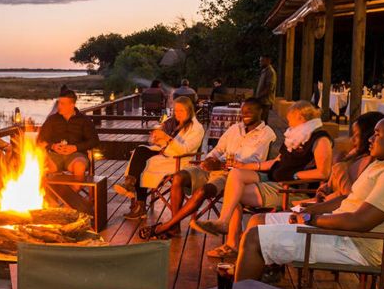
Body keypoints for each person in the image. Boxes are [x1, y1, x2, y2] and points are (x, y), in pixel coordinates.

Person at [233, 114, 384, 282]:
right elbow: (348, 198)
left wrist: (312, 220)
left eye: (377, 135)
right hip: (339, 232)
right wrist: (310, 211)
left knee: (254, 238)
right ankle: (255, 285)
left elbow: (360, 222)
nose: (370, 139)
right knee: (256, 222)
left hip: (353, 247)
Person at [194, 101, 333, 246]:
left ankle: (231, 241)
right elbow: (276, 162)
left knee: (233, 194)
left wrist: (295, 175)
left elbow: (324, 172)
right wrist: (244, 166)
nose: (288, 121)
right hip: (273, 177)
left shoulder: (320, 139)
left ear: (301, 117)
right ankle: (223, 224)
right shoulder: (297, 136)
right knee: (235, 174)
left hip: (290, 188)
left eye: (290, 118)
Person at [138, 99, 275, 241]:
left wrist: (223, 166)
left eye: (250, 110)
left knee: (203, 191)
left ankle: (165, 227)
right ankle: (175, 226)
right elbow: (219, 149)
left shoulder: (266, 134)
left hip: (232, 174)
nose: (245, 113)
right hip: (213, 167)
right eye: (243, 110)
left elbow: (255, 162)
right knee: (179, 177)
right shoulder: (235, 128)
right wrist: (210, 159)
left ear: (261, 112)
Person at [114, 96, 205, 220]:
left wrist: (167, 138)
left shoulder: (196, 128)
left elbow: (184, 149)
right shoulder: (178, 124)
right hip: (167, 153)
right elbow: (168, 144)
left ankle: (137, 201)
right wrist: (158, 139)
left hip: (180, 160)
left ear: (189, 110)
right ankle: (130, 184)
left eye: (180, 111)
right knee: (140, 151)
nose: (177, 113)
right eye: (175, 110)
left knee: (142, 164)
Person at [37, 88, 100, 179]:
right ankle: (49, 192)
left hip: (76, 155)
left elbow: (94, 141)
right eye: (58, 103)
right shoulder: (52, 119)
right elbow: (40, 139)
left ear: (72, 105)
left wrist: (75, 147)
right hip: (54, 155)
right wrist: (53, 146)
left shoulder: (84, 120)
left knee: (79, 166)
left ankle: (72, 193)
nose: (59, 106)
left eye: (62, 104)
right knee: (41, 164)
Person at [255, 55, 277, 121]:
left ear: (268, 61)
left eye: (262, 61)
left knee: (263, 121)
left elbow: (269, 88)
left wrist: (258, 96)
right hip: (261, 100)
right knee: (260, 120)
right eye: (260, 61)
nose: (260, 63)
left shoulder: (270, 72)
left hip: (265, 101)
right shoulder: (264, 71)